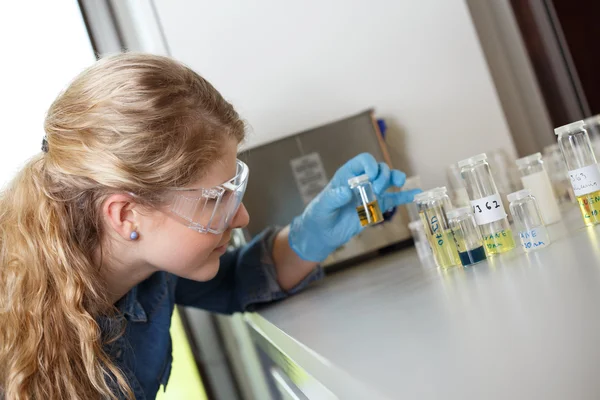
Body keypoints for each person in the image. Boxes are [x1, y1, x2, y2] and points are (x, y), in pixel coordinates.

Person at [0, 53, 419, 399]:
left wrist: (312, 234)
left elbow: (235, 282)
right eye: (216, 199)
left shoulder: (149, 267)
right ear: (126, 215)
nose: (241, 217)